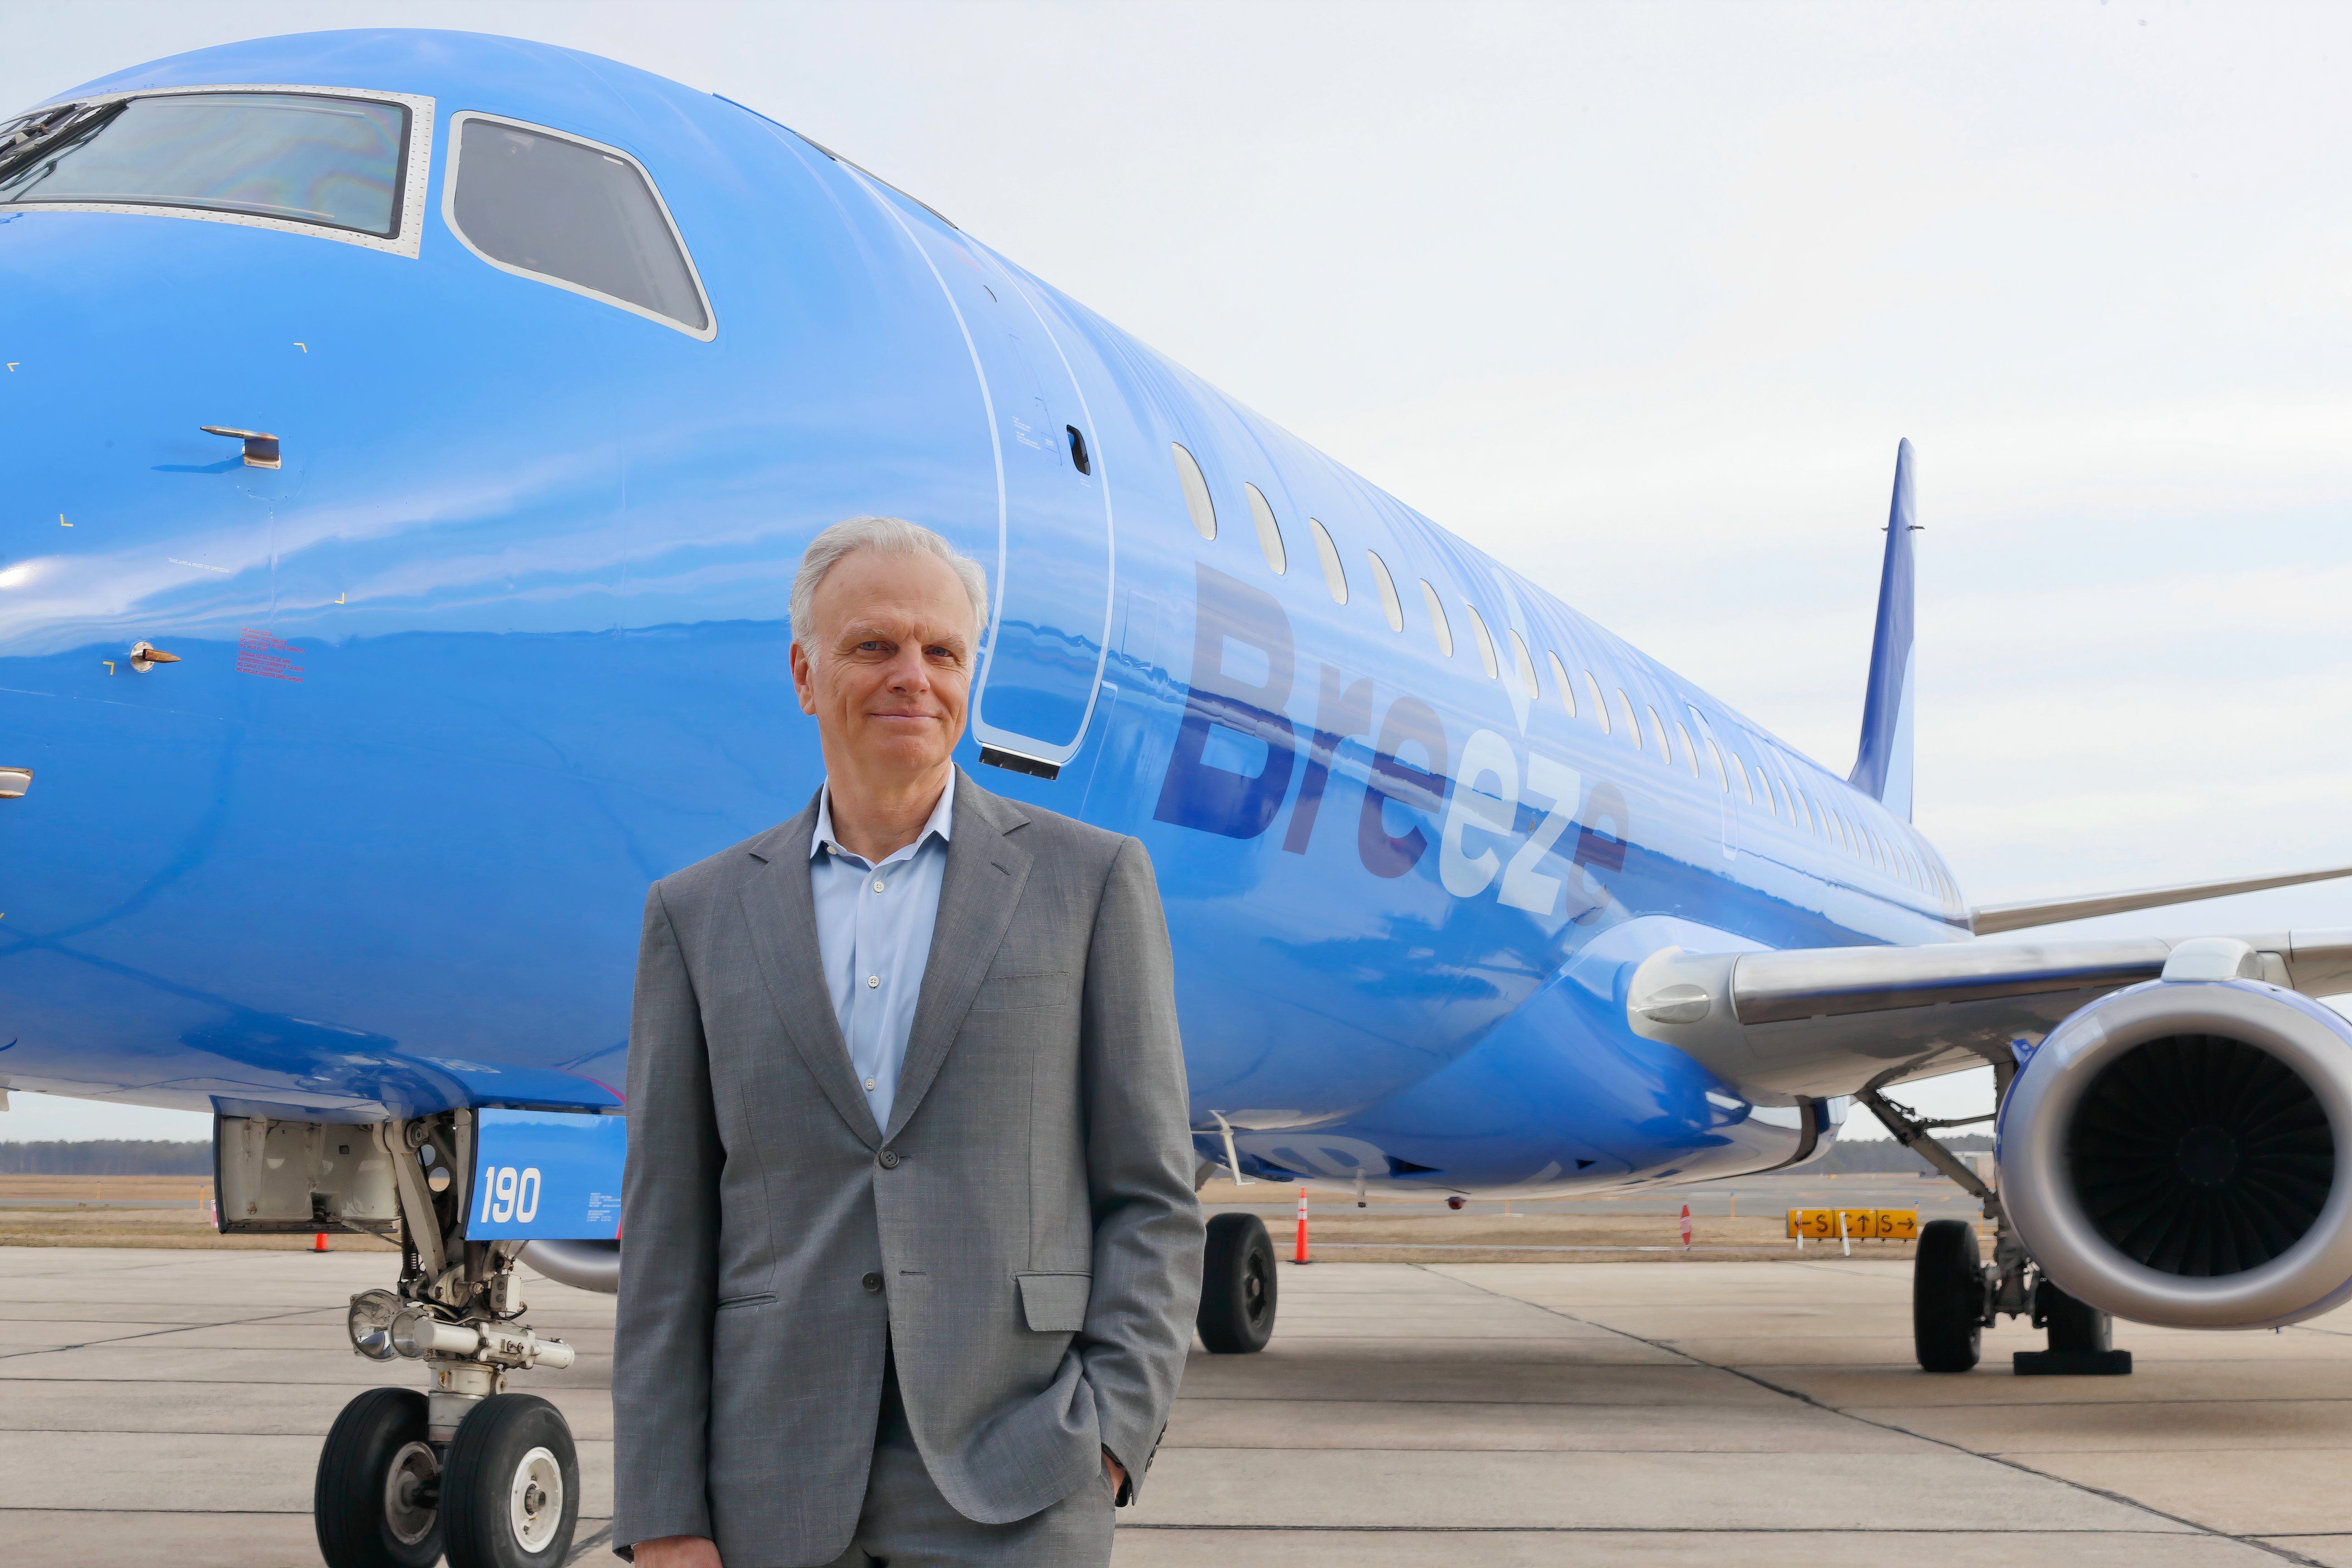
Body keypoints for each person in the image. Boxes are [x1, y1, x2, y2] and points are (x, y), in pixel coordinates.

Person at [613, 516, 1203, 1568]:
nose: (913, 679)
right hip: (767, 1488)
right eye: (873, 646)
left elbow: (1151, 1198)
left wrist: (1111, 1434)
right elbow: (668, 1238)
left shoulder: (1091, 885)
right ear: (805, 673)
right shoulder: (696, 916)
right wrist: (662, 1513)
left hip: (1020, 1476)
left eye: (943, 652)